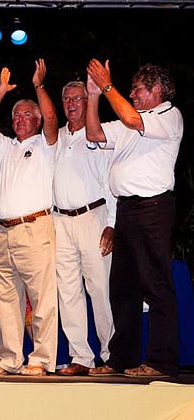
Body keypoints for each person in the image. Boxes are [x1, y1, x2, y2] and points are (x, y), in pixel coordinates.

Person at [86, 60, 182, 378]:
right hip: (126, 210)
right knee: (122, 288)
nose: (132, 93)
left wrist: (107, 83)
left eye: (138, 88)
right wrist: (94, 95)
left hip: (153, 208)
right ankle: (121, 359)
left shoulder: (169, 115)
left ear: (156, 90)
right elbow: (95, 132)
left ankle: (160, 362)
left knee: (156, 285)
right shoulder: (133, 122)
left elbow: (128, 115)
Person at [0, 60, 59, 376]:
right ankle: (10, 359)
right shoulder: (5, 148)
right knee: (6, 300)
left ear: (38, 119)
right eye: (16, 116)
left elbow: (53, 118)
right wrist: (1, 90)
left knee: (41, 299)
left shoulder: (46, 144)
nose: (19, 119)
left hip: (35, 227)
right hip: (3, 232)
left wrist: (39, 86)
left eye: (27, 115)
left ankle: (41, 359)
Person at [53, 80, 115, 376]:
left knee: (100, 289)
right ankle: (80, 356)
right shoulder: (55, 136)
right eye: (67, 99)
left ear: (87, 101)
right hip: (60, 221)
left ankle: (110, 354)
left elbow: (111, 182)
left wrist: (112, 224)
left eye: (78, 98)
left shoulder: (100, 134)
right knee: (68, 292)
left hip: (94, 216)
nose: (72, 103)